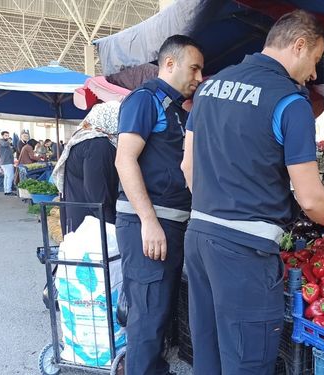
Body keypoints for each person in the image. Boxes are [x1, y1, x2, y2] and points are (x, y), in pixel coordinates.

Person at [181, 10, 324, 375]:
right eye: (314, 61)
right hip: (245, 252)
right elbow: (310, 199)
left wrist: (217, 207)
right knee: (247, 363)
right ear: (299, 45)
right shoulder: (290, 101)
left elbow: (187, 167)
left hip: (198, 237)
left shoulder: (210, 88)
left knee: (210, 356)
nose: (313, 74)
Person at [114, 35, 203, 375]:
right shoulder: (144, 100)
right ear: (170, 64)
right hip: (149, 224)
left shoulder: (177, 110)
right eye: (194, 68)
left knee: (160, 314)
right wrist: (149, 221)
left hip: (172, 222)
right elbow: (125, 161)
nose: (198, 77)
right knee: (148, 318)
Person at [51, 102, 121, 233]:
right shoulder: (98, 145)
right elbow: (97, 196)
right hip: (91, 224)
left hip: (78, 216)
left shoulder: (83, 138)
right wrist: (112, 227)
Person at [0, 131, 16, 195]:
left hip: (6, 162)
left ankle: (6, 190)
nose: (7, 137)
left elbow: (10, 151)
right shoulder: (2, 141)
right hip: (6, 162)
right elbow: (5, 144)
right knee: (10, 176)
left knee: (6, 177)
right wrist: (9, 141)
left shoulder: (5, 142)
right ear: (2, 136)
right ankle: (8, 191)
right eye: (6, 135)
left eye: (8, 135)